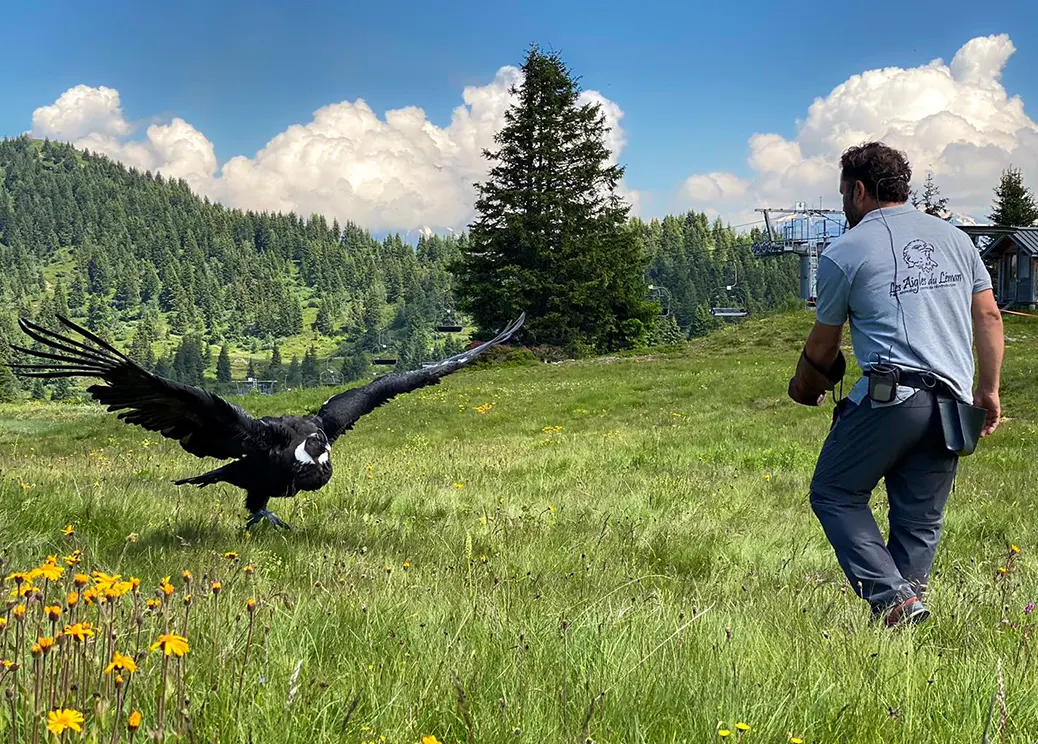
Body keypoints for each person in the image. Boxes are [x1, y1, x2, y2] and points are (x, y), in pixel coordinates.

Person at [786, 141, 1004, 627]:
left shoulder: (845, 250)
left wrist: (805, 384)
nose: (845, 206)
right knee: (919, 521)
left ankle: (894, 601)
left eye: (844, 195)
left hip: (891, 398)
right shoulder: (956, 240)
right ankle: (902, 625)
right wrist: (988, 389)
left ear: (859, 191)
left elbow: (823, 346)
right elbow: (988, 314)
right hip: (952, 405)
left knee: (835, 493)